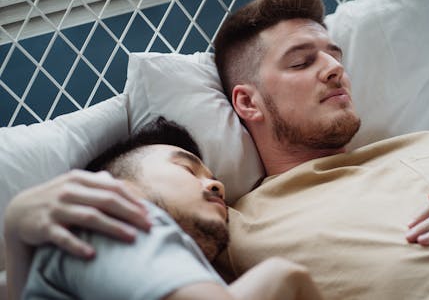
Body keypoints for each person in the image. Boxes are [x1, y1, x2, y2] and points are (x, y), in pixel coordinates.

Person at [210, 0, 429, 299]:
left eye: (336, 57)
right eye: (301, 63)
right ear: (248, 103)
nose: (335, 69)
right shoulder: (239, 231)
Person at [4, 117, 324, 300]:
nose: (217, 187)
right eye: (187, 170)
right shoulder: (108, 216)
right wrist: (281, 276)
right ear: (118, 186)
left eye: (214, 179)